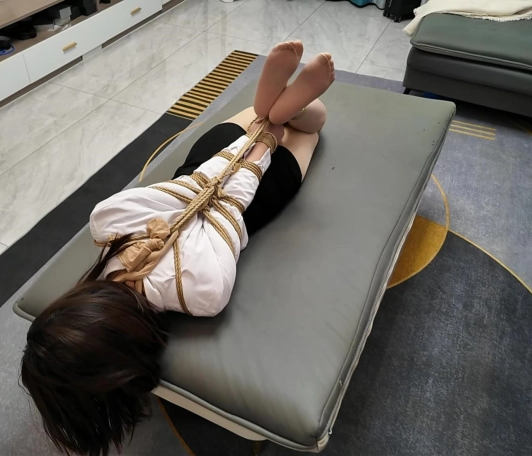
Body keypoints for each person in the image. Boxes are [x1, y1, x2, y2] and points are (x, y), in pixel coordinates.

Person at [21, 41, 335, 456]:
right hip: (208, 154)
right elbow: (179, 193)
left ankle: (278, 115)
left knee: (314, 122)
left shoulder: (201, 291)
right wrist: (252, 140)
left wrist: (264, 147)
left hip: (260, 188)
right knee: (273, 116)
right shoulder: (107, 240)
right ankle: (270, 110)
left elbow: (227, 210)